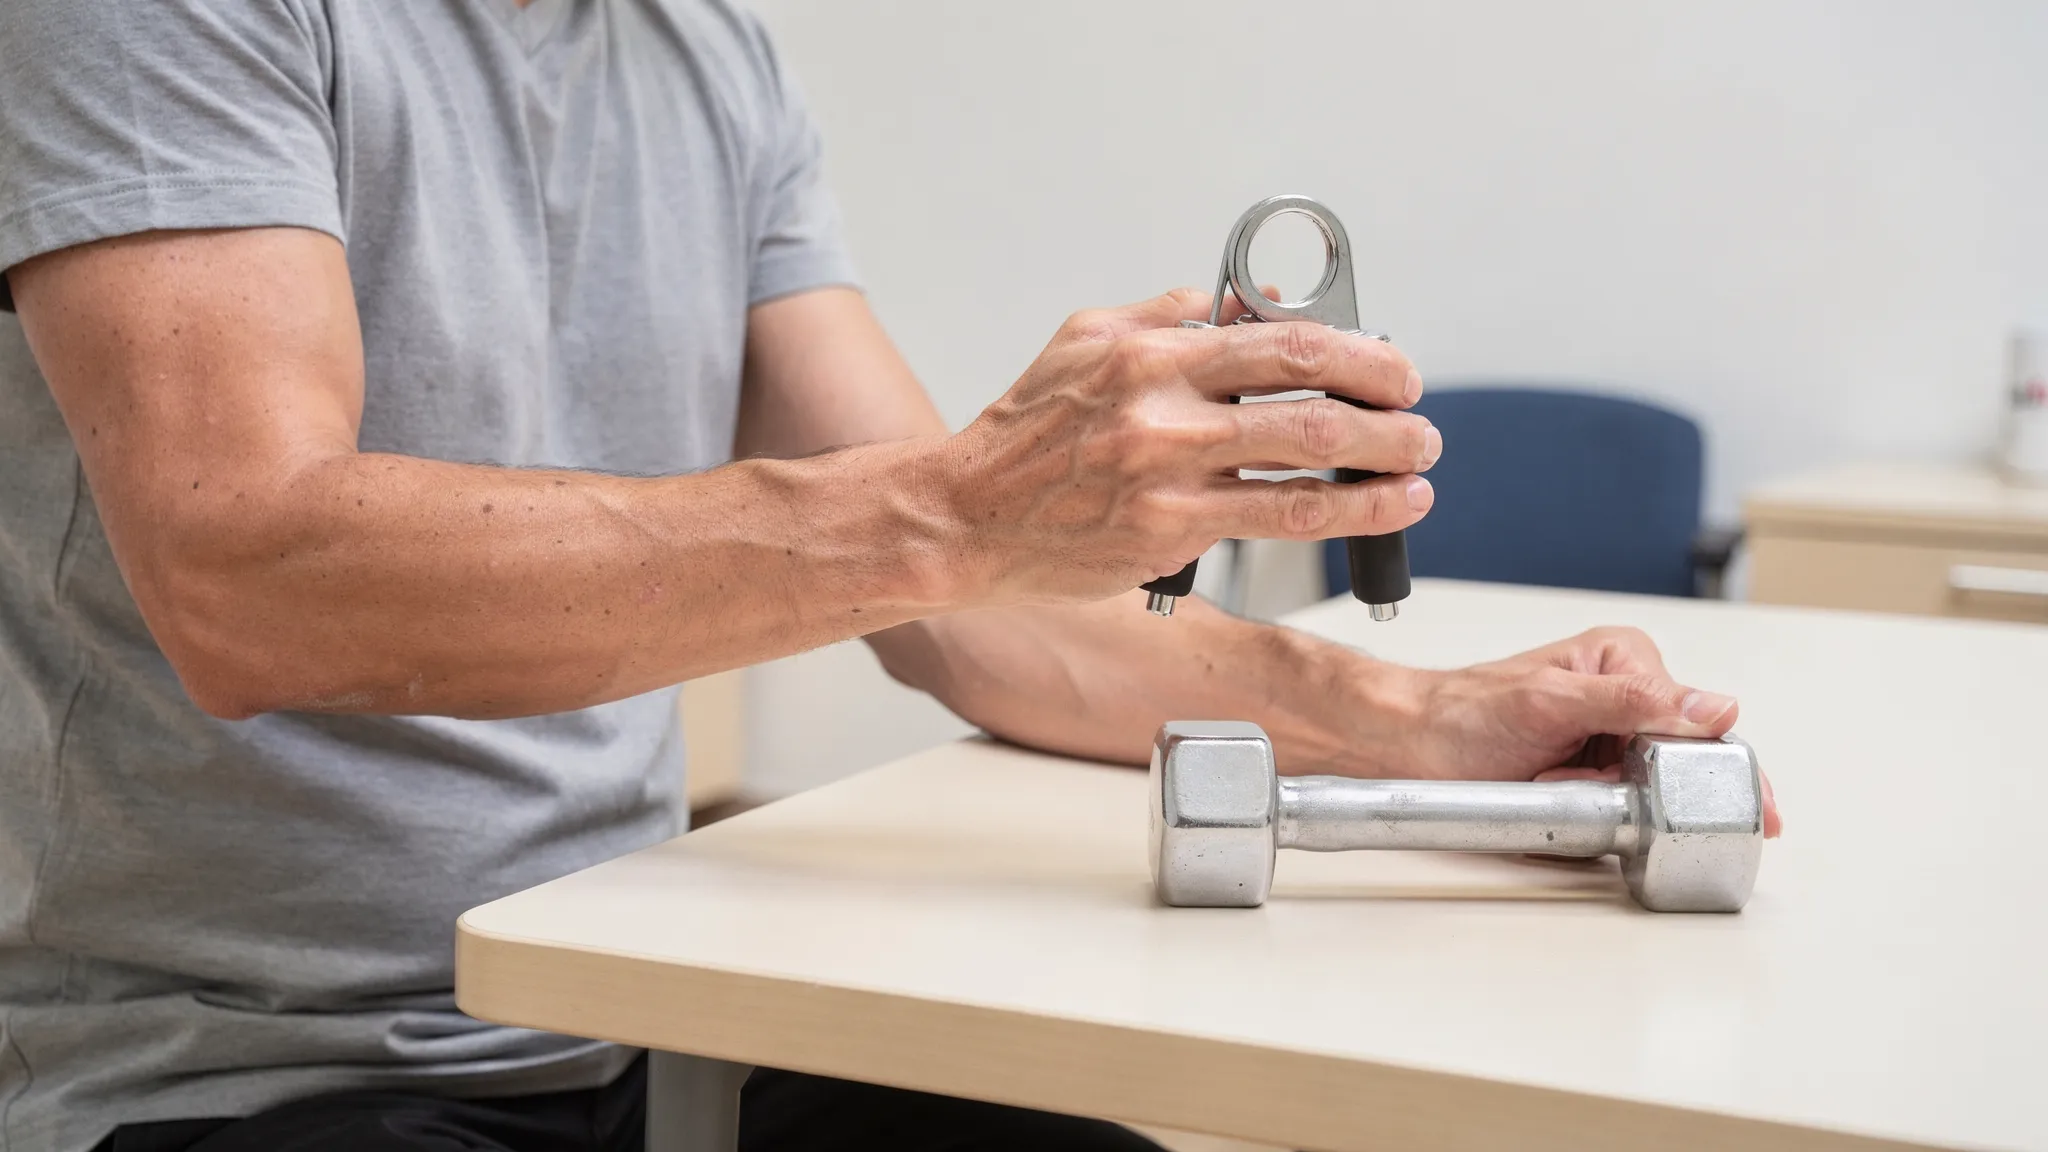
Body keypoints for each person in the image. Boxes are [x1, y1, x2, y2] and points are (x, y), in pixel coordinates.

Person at [0, 2, 1780, 1150]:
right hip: (240, 1066)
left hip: (649, 1000)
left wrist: (1415, 719)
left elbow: (969, 607)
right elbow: (249, 582)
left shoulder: (707, 53)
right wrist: (972, 498)